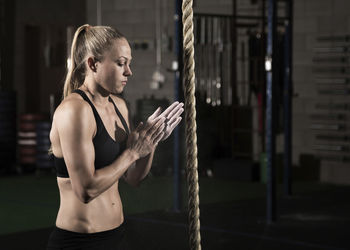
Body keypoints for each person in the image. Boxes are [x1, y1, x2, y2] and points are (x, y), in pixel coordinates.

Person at [47, 24, 184, 250]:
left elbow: (133, 178)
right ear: (93, 64)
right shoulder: (75, 111)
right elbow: (86, 190)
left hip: (116, 236)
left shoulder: (119, 106)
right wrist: (132, 153)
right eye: (121, 63)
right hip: (79, 242)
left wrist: (151, 142)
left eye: (128, 64)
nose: (128, 71)